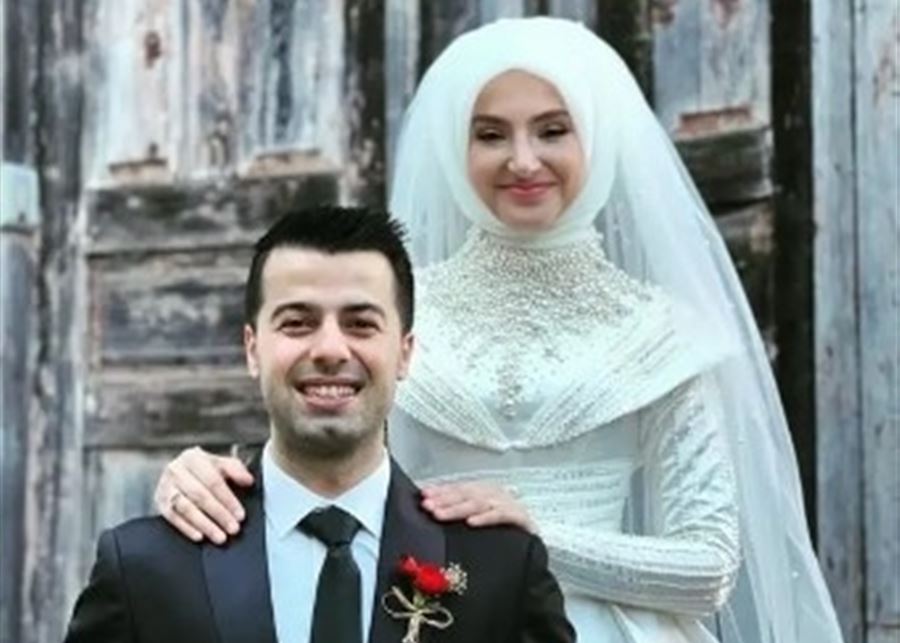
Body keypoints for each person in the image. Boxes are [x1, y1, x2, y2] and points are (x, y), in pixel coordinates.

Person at [154, 17, 845, 643]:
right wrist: (205, 480)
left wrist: (536, 535)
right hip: (434, 621)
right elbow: (322, 458)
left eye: (552, 130)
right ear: (456, 148)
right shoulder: (390, 312)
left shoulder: (662, 333)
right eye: (490, 135)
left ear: (597, 137)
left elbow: (709, 567)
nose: (522, 160)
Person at [64, 206, 575, 643]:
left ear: (404, 353)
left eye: (360, 324)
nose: (330, 349)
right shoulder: (144, 565)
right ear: (252, 349)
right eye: (297, 323)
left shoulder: (501, 567)